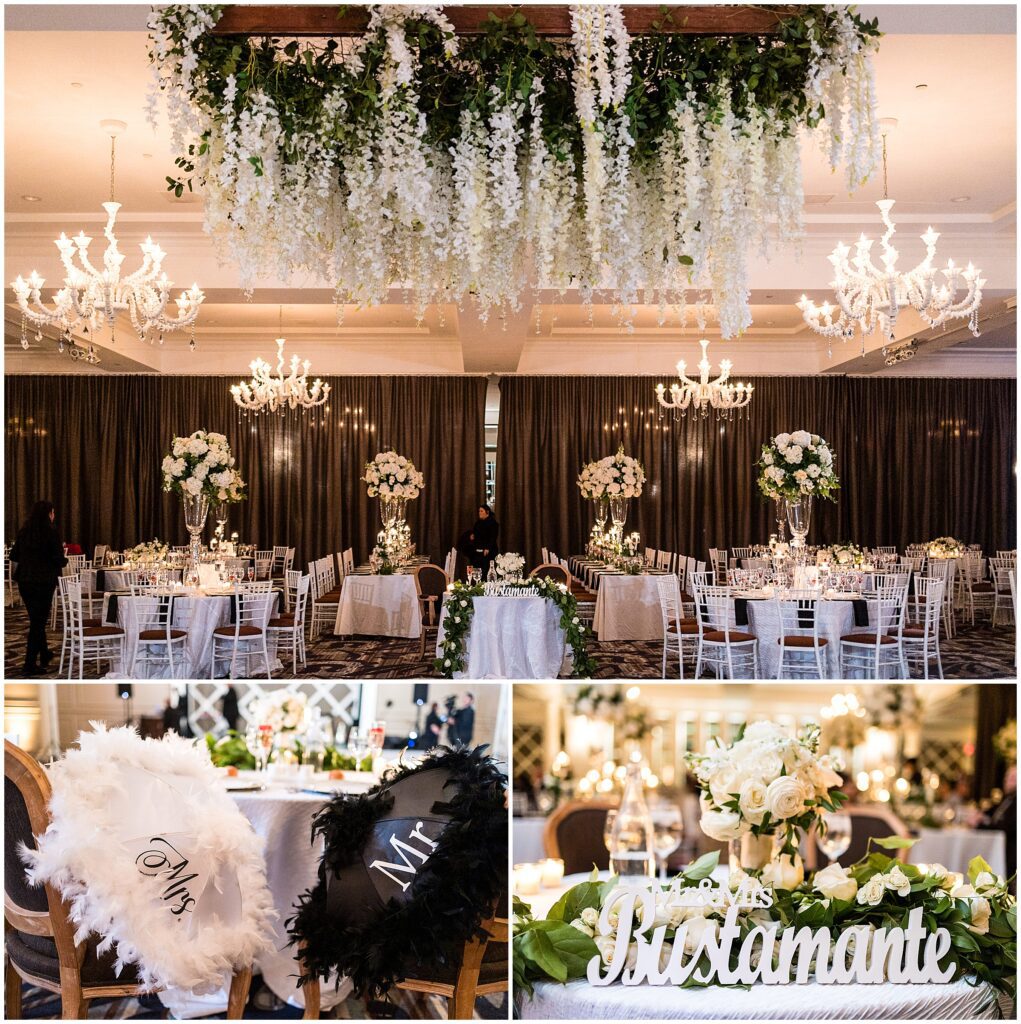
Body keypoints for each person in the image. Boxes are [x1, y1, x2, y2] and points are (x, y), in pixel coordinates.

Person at [10, 501, 67, 677]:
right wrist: (64, 559)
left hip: (25, 582)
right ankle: (28, 664)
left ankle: (44, 653)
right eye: (53, 512)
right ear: (49, 513)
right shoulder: (51, 532)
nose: (54, 516)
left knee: (36, 619)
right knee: (38, 622)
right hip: (43, 582)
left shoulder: (24, 532)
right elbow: (58, 559)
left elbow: (14, 556)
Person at [466, 505, 499, 579]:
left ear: (487, 512)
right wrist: (472, 536)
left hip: (487, 552)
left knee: (485, 570)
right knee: (475, 570)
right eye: (479, 511)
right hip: (477, 551)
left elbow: (493, 537)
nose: (479, 513)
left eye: (481, 511)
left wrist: (488, 548)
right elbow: (475, 532)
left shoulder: (493, 523)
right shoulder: (478, 522)